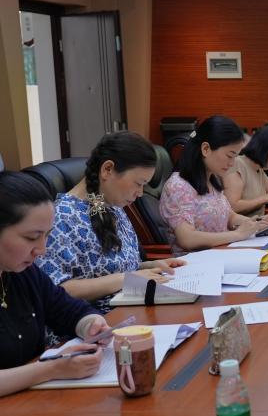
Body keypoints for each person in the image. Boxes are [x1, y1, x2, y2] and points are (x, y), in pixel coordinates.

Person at [36, 132, 185, 311]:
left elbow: (112, 267)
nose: (140, 193)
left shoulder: (105, 205)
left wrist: (150, 266)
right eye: (138, 183)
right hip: (94, 321)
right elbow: (56, 290)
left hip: (133, 308)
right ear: (107, 169)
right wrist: (128, 279)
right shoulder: (60, 218)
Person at [0, 171, 110, 397]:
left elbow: (67, 309)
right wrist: (52, 369)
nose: (42, 249)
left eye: (47, 235)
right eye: (32, 237)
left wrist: (91, 325)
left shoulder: (24, 273)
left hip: (32, 403)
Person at [160, 116, 268, 254]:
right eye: (229, 156)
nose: (232, 163)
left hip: (222, 255)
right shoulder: (178, 186)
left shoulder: (211, 179)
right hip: (196, 263)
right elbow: (187, 239)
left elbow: (230, 217)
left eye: (235, 157)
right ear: (206, 149)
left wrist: (256, 223)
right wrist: (238, 234)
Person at [223, 125, 268, 217]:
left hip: (259, 224)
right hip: (244, 225)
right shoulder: (238, 164)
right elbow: (232, 206)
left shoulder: (259, 169)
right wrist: (267, 198)